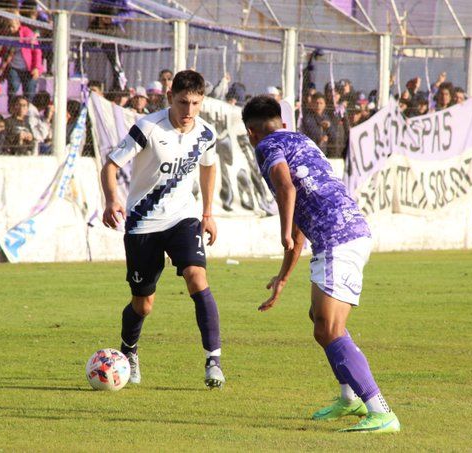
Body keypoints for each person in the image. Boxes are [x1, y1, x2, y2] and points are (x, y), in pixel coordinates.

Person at [241, 95, 400, 433]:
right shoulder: (300, 140)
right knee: (320, 318)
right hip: (351, 229)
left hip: (335, 238)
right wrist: (283, 277)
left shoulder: (266, 146)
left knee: (328, 328)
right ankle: (349, 397)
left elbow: (285, 187)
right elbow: (299, 213)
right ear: (282, 121)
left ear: (251, 133)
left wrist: (282, 230)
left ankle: (380, 410)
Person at [100, 69, 225, 389]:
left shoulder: (206, 133)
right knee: (144, 304)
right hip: (143, 224)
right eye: (183, 102)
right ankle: (129, 350)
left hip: (182, 219)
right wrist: (112, 200)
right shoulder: (147, 127)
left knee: (197, 277)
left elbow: (209, 168)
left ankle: (213, 360)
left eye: (196, 103)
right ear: (170, 97)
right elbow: (111, 166)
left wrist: (207, 213)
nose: (189, 111)